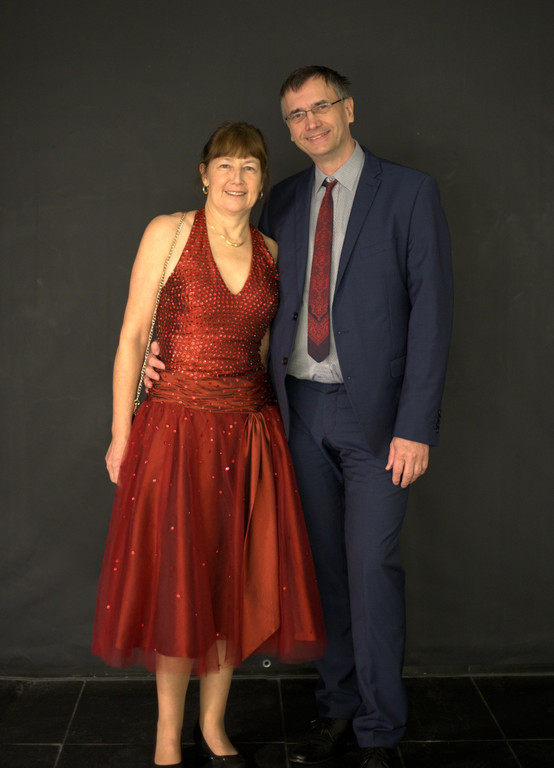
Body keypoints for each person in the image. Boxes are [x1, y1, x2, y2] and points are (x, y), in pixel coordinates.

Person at [146, 66, 453, 768]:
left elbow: (433, 315)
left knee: (371, 566)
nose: (311, 122)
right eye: (296, 115)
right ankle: (337, 707)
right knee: (322, 568)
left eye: (322, 107)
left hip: (379, 420)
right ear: (287, 128)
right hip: (293, 411)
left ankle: (379, 728)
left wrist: (416, 425)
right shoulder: (280, 199)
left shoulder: (409, 192)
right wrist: (161, 353)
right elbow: (243, 303)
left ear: (349, 109)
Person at [92, 121, 326, 768]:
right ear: (203, 175)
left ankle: (214, 726)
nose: (235, 177)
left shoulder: (272, 252)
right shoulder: (168, 233)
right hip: (174, 433)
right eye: (224, 164)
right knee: (177, 583)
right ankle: (169, 734)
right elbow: (132, 337)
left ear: (262, 181)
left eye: (249, 167)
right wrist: (121, 434)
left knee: (231, 583)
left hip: (250, 437)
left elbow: (264, 351)